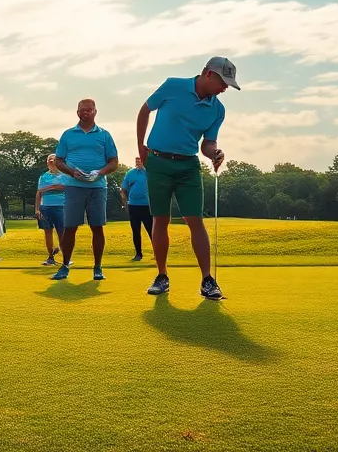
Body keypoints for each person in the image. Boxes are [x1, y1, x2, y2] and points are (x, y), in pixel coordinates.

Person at [136, 57, 235, 300]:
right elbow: (145, 110)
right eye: (223, 82)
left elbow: (207, 144)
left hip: (188, 166)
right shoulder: (173, 85)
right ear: (208, 74)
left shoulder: (218, 109)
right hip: (158, 162)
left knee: (195, 220)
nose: (225, 88)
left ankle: (207, 280)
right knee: (161, 219)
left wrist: (215, 153)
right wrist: (141, 148)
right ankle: (162, 276)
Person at [50, 100, 118, 282]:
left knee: (97, 227)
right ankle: (65, 265)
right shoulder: (68, 134)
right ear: (77, 112)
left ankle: (98, 267)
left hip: (98, 187)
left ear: (95, 112)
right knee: (70, 227)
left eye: (89, 110)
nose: (85, 112)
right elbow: (58, 160)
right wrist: (71, 172)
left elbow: (114, 162)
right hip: (74, 186)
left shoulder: (104, 135)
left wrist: (100, 173)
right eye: (82, 110)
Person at [35, 154, 65, 266]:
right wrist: (37, 209)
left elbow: (63, 187)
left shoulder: (64, 175)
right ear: (47, 163)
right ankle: (50, 257)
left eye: (54, 161)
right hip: (45, 207)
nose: (51, 163)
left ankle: (66, 257)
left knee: (61, 232)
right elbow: (39, 192)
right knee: (47, 232)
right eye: (50, 161)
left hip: (61, 206)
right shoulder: (43, 177)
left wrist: (49, 187)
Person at [120, 157, 153, 262]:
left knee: (151, 230)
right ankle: (138, 254)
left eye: (140, 160)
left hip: (147, 206)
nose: (138, 162)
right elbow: (123, 189)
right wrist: (125, 202)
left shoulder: (149, 173)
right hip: (133, 206)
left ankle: (158, 253)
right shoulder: (130, 173)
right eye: (136, 161)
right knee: (135, 231)